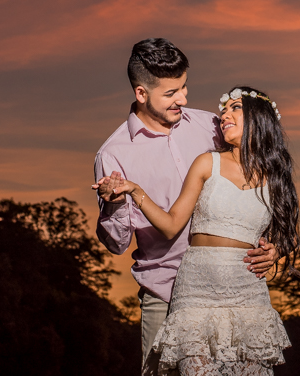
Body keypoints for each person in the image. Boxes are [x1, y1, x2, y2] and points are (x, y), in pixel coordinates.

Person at [92, 40, 280, 374]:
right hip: (164, 290)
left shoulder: (211, 126)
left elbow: (253, 183)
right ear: (141, 93)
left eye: (184, 87)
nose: (183, 99)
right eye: (171, 93)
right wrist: (116, 203)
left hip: (230, 289)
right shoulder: (114, 154)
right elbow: (116, 244)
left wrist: (272, 243)